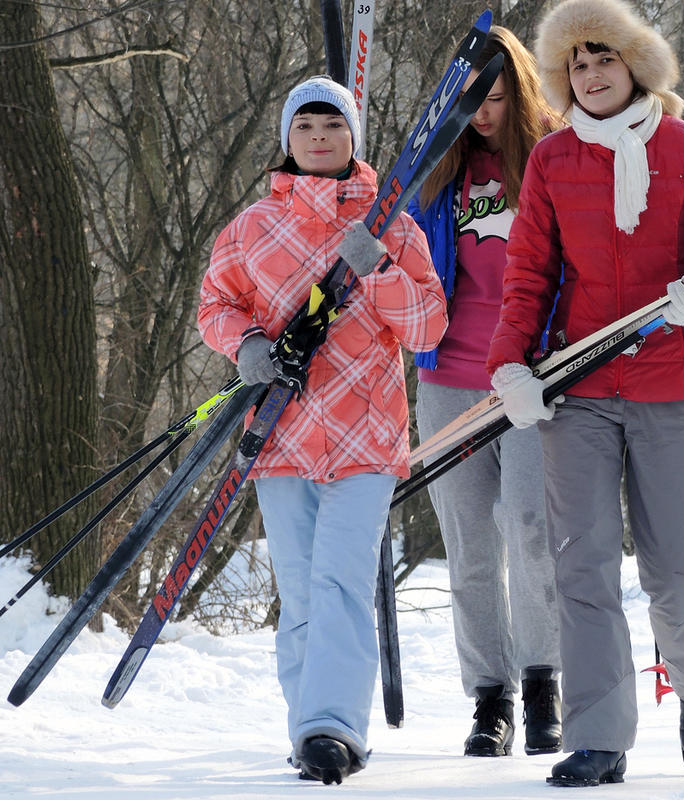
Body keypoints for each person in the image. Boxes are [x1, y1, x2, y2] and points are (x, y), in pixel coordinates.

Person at [485, 0, 684, 785]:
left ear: (636, 65)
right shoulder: (551, 160)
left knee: (677, 564)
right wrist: (513, 368)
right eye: (576, 63)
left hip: (675, 384)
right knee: (582, 564)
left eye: (604, 58)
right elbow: (528, 274)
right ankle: (599, 736)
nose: (591, 73)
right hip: (580, 386)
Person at [197, 76, 448, 784]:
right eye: (304, 126)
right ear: (287, 139)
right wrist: (248, 348)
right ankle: (307, 725)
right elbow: (214, 304)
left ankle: (332, 726)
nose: (317, 137)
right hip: (279, 435)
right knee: (304, 589)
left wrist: (382, 269)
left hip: (366, 437)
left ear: (352, 139)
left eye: (331, 126)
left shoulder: (390, 224)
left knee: (339, 580)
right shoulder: (250, 226)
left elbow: (428, 325)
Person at [407, 26, 564, 761]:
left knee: (533, 532)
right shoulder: (434, 171)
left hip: (530, 379)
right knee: (470, 547)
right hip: (447, 377)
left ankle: (542, 684)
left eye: (496, 97)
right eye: (470, 100)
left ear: (520, 93)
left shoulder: (551, 160)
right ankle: (490, 698)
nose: (483, 113)